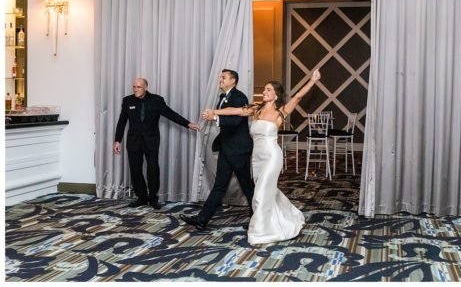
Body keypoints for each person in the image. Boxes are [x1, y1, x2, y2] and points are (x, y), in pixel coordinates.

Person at [199, 71, 322, 244]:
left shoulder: (281, 112)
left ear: (276, 94)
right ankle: (280, 218)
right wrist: (215, 112)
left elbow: (298, 97)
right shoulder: (256, 109)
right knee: (262, 191)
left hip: (272, 156)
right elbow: (236, 111)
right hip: (257, 158)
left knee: (261, 192)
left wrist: (312, 80)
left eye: (268, 90)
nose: (264, 92)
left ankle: (260, 230)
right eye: (264, 89)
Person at [182, 69, 257, 230]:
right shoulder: (223, 97)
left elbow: (236, 120)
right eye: (220, 77)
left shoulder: (239, 96)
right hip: (226, 149)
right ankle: (202, 219)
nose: (220, 80)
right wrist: (217, 118)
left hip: (238, 150)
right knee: (219, 186)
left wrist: (215, 117)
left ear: (233, 81)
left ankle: (258, 221)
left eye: (223, 77)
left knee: (247, 187)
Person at [113, 78, 199, 209]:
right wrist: (117, 140)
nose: (136, 89)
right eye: (134, 87)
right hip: (133, 141)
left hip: (151, 141)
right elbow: (122, 121)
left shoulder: (156, 100)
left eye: (139, 87)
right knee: (135, 169)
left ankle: (153, 198)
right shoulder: (127, 100)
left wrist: (187, 124)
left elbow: (170, 114)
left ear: (146, 87)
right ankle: (141, 197)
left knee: (153, 169)